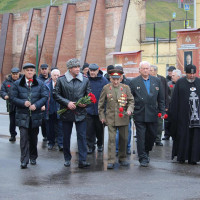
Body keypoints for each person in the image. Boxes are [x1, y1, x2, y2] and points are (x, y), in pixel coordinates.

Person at [53, 58, 91, 168]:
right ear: (70, 69)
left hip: (81, 113)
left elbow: (89, 94)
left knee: (82, 137)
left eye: (79, 67)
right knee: (66, 137)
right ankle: (67, 158)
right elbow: (56, 94)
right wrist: (67, 103)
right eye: (75, 67)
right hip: (66, 113)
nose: (78, 69)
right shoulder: (61, 80)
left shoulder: (85, 80)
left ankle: (82, 160)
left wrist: (86, 103)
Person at [11, 63, 48, 169]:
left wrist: (36, 105)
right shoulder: (17, 84)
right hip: (22, 115)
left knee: (33, 138)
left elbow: (45, 96)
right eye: (27, 70)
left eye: (31, 70)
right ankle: (24, 160)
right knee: (23, 138)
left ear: (34, 72)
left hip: (35, 116)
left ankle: (33, 157)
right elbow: (13, 98)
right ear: (24, 72)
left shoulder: (40, 83)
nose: (29, 72)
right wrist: (23, 103)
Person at [130, 61, 165, 167]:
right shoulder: (134, 82)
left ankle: (146, 151)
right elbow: (130, 98)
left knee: (152, 135)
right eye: (143, 68)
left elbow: (161, 98)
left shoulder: (157, 81)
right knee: (141, 136)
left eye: (147, 68)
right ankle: (142, 157)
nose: (145, 70)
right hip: (139, 112)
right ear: (139, 70)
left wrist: (162, 111)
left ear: (150, 70)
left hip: (153, 113)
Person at [98, 69, 134, 169]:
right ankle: (111, 160)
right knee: (112, 139)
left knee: (124, 139)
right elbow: (101, 104)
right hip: (111, 118)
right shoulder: (106, 88)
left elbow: (131, 101)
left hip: (123, 117)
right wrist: (102, 116)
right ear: (110, 78)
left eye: (117, 79)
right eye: (113, 79)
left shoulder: (126, 88)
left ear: (121, 78)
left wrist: (130, 109)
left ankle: (122, 158)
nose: (116, 81)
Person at [170, 64, 200, 165]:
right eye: (189, 73)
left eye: (193, 73)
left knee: (195, 137)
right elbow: (175, 100)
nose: (191, 75)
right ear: (186, 73)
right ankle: (182, 156)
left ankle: (193, 158)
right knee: (183, 136)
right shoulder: (180, 83)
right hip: (183, 116)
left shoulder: (199, 82)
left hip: (196, 117)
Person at [86, 63, 108, 154]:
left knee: (100, 129)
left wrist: (105, 109)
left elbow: (107, 95)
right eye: (91, 71)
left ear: (98, 71)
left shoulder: (104, 81)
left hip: (100, 110)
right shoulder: (85, 80)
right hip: (88, 109)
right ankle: (90, 146)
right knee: (89, 130)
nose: (92, 72)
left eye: (94, 71)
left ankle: (100, 144)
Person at [114, 66, 133, 155]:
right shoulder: (111, 84)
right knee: (117, 131)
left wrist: (130, 109)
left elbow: (131, 98)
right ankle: (117, 149)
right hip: (115, 111)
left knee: (128, 130)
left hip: (126, 111)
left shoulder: (128, 83)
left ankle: (127, 147)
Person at [0, 67, 21, 142]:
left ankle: (23, 136)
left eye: (16, 74)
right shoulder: (7, 82)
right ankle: (13, 135)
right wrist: (4, 95)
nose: (15, 75)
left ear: (19, 73)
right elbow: (2, 91)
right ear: (11, 74)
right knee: (12, 121)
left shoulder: (22, 81)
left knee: (22, 121)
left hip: (21, 104)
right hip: (11, 104)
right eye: (13, 74)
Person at [150, 65, 169, 146]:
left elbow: (166, 93)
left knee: (159, 123)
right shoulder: (148, 79)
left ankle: (158, 139)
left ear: (155, 71)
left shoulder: (162, 79)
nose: (149, 71)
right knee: (150, 123)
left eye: (150, 70)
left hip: (160, 104)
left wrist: (166, 106)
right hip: (151, 105)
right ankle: (150, 139)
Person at [45, 69, 63, 151]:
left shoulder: (63, 84)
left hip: (59, 109)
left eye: (57, 75)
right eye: (54, 75)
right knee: (50, 128)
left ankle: (60, 144)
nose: (56, 77)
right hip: (50, 108)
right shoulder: (46, 84)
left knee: (60, 128)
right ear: (51, 76)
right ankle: (50, 143)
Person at [163, 69, 182, 140]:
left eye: (173, 75)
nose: (172, 77)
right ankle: (167, 134)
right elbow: (166, 94)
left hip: (179, 106)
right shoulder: (169, 84)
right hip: (170, 105)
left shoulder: (182, 84)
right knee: (167, 120)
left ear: (178, 76)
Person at [38, 63, 51, 142]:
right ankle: (45, 135)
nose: (44, 71)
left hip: (51, 102)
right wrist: (42, 104)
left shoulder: (51, 77)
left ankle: (51, 135)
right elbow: (38, 93)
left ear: (48, 69)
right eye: (42, 69)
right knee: (44, 121)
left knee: (51, 120)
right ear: (40, 70)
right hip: (43, 103)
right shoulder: (38, 80)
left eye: (45, 69)